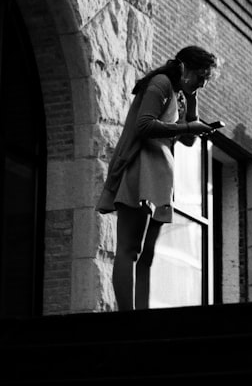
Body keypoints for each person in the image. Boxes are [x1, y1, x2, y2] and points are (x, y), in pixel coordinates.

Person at [96, 45, 219, 311]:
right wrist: (187, 125)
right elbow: (143, 125)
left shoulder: (178, 93)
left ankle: (142, 312)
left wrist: (193, 101)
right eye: (200, 77)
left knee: (146, 254)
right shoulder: (160, 83)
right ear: (185, 68)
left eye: (206, 80)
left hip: (160, 177)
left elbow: (186, 140)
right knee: (130, 249)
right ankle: (127, 315)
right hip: (141, 171)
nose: (202, 83)